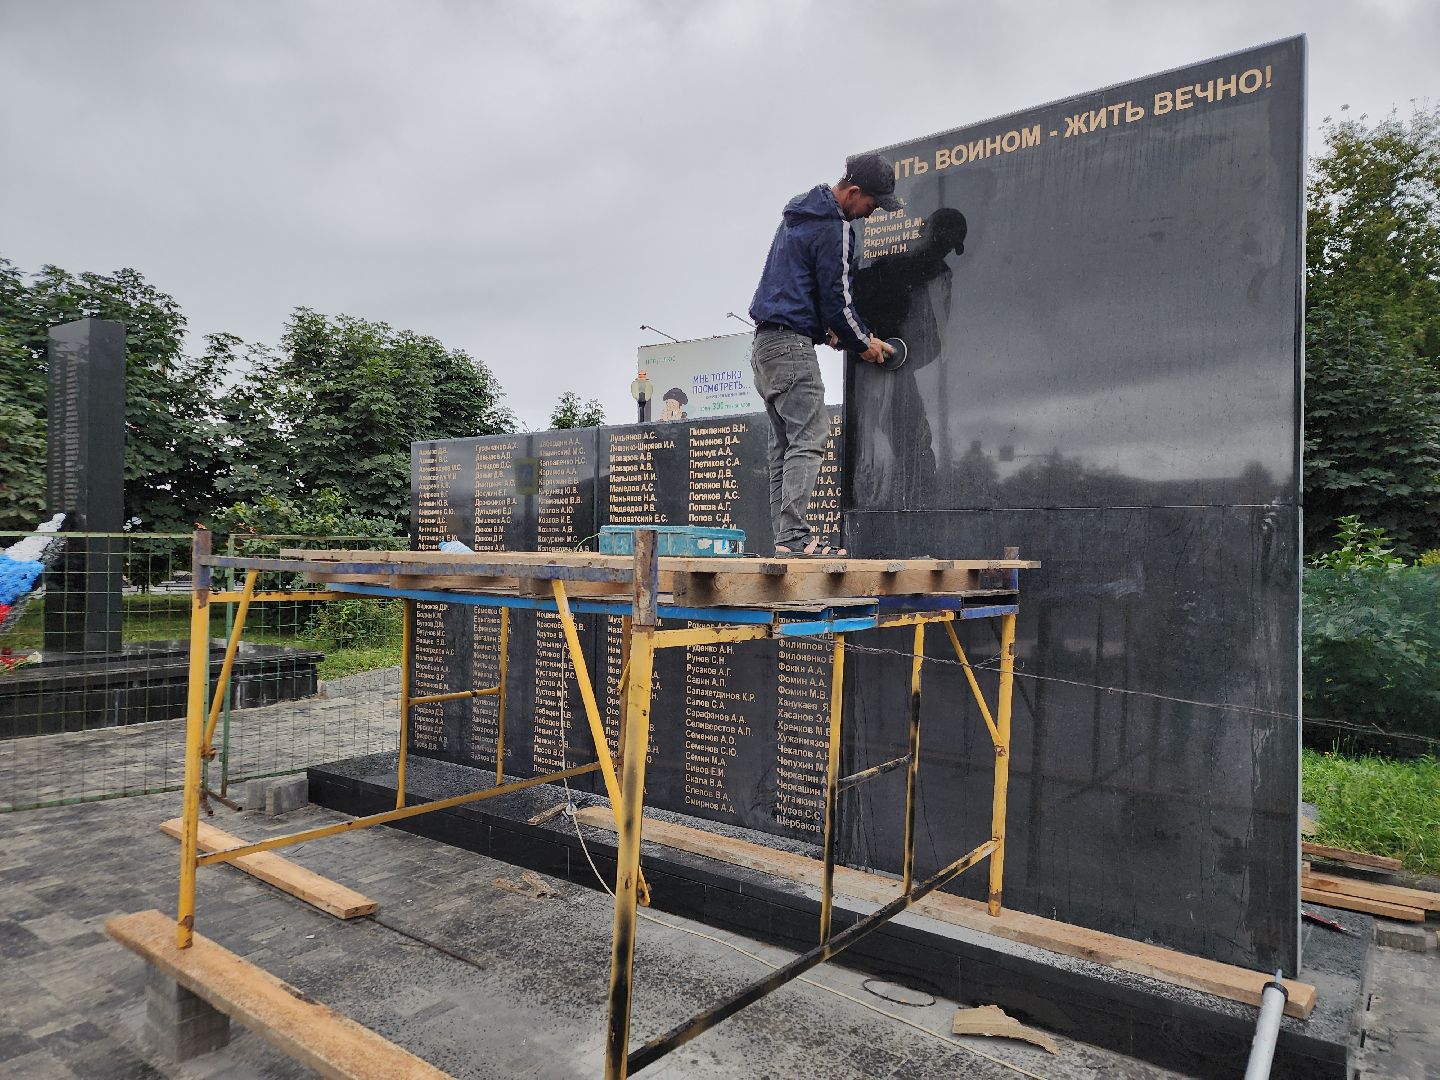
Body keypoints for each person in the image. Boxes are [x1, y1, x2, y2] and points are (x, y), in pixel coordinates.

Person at [748, 152, 902, 557]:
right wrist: (862, 342)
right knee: (811, 438)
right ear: (853, 193)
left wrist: (830, 334)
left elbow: (799, 290)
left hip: (766, 346)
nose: (870, 215)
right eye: (871, 205)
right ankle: (796, 538)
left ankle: (786, 540)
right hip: (791, 347)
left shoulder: (797, 217)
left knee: (786, 445)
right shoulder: (835, 227)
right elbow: (837, 300)